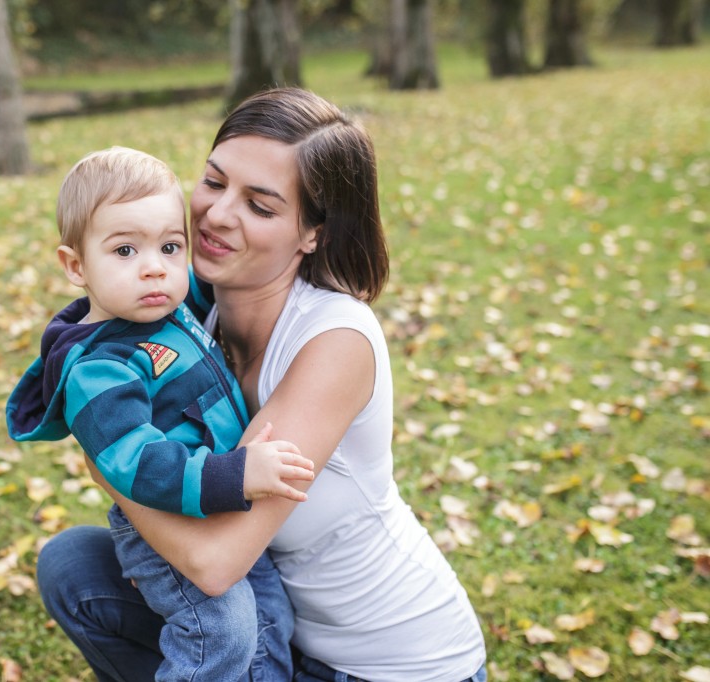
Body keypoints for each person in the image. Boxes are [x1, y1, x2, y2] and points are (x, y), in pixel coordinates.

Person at [36, 90, 489, 682]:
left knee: (215, 605)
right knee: (72, 564)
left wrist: (108, 466)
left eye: (261, 206)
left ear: (313, 235)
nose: (218, 215)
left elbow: (216, 564)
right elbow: (98, 338)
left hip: (390, 665)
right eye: (214, 181)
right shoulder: (186, 318)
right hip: (273, 636)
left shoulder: (335, 340)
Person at [6, 146, 315, 681]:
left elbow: (237, 275)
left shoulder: (169, 307)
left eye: (171, 246)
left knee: (271, 622)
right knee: (222, 632)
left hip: (221, 515)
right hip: (171, 528)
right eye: (124, 251)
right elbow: (139, 465)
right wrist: (238, 473)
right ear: (76, 266)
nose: (154, 269)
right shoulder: (100, 369)